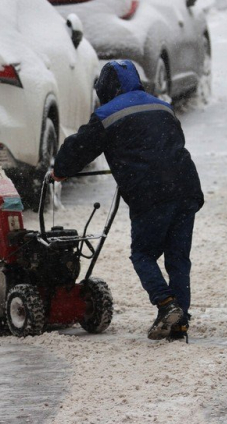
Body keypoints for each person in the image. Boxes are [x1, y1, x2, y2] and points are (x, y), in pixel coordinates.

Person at [52, 60, 204, 341]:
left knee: (143, 254)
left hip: (151, 193)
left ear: (106, 88)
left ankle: (166, 304)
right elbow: (169, 143)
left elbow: (80, 147)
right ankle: (179, 322)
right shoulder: (162, 106)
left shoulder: (107, 114)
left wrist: (59, 171)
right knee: (178, 258)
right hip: (186, 188)